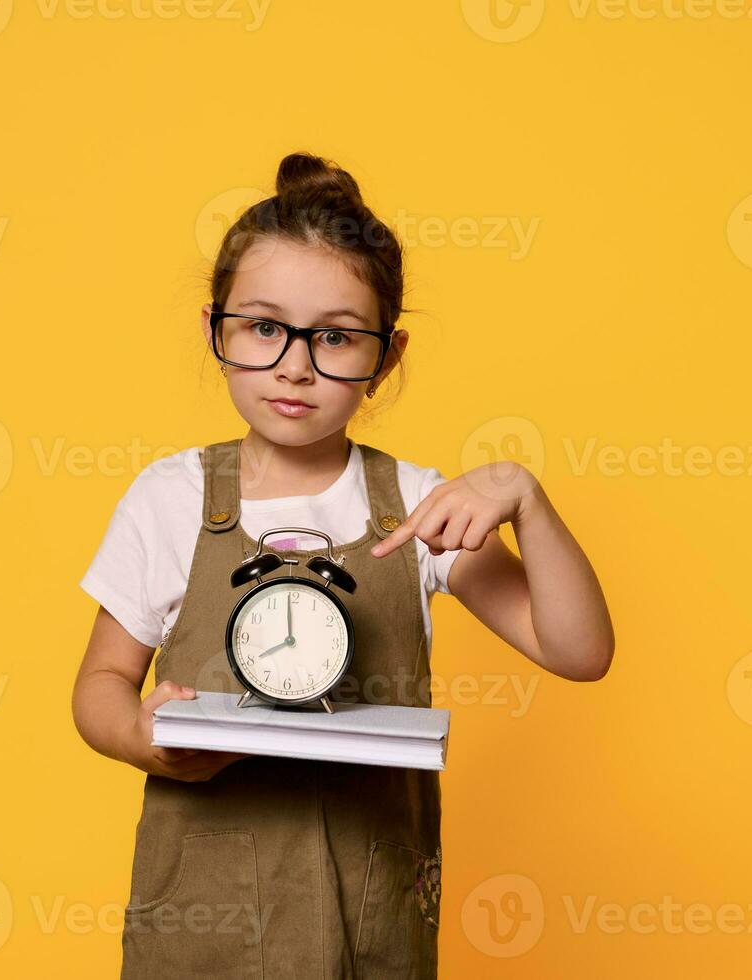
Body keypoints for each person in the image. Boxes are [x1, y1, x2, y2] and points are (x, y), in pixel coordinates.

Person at [72, 151, 615, 978]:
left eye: (333, 336)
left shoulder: (420, 508)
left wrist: (526, 500)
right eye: (263, 327)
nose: (295, 364)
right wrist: (142, 736)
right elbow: (98, 686)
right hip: (204, 933)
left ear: (384, 357)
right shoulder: (170, 498)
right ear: (214, 331)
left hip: (369, 927)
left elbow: (579, 653)